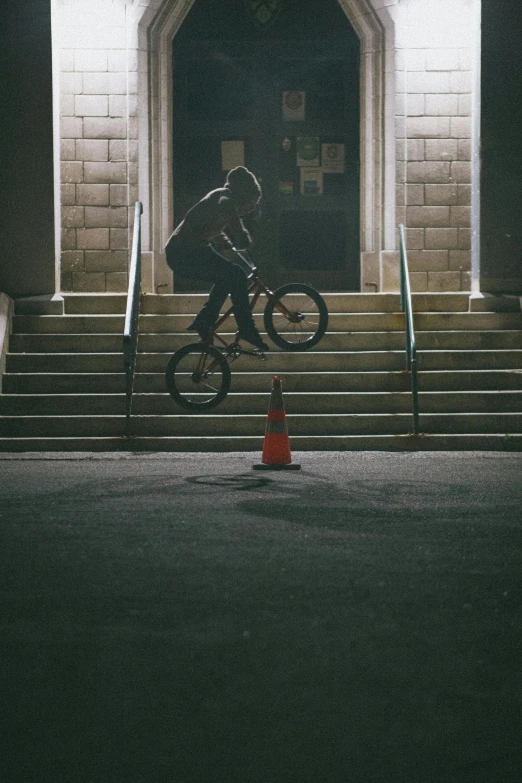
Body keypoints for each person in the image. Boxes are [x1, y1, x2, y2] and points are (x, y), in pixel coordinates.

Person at [165, 166, 269, 350]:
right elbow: (230, 216)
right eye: (251, 204)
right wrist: (242, 235)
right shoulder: (225, 198)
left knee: (229, 276)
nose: (250, 209)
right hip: (182, 253)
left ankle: (204, 320)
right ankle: (245, 327)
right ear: (243, 194)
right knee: (235, 275)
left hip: (191, 249)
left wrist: (227, 244)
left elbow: (213, 228)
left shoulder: (220, 200)